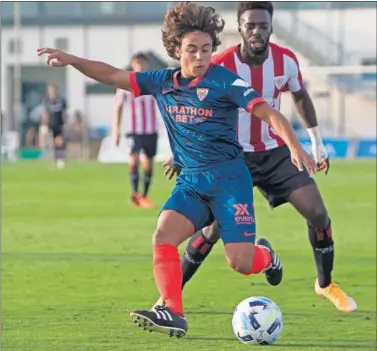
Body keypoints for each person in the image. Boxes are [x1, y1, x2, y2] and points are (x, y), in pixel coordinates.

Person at [37, 2, 316, 338]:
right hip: (192, 182)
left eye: (206, 49)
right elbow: (112, 75)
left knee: (240, 263)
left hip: (229, 181)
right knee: (163, 235)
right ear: (176, 50)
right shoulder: (161, 82)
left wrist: (294, 145)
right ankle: (173, 312)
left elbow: (268, 113)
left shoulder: (226, 81)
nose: (200, 57)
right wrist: (72, 60)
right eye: (191, 50)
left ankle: (266, 256)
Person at [162, 1, 357, 313]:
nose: (256, 31)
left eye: (262, 25)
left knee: (318, 214)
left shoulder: (286, 61)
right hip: (232, 158)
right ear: (239, 28)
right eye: (250, 25)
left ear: (270, 28)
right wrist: (182, 154)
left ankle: (325, 284)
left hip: (276, 153)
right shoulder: (221, 65)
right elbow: (194, 106)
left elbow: (300, 95)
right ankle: (168, 300)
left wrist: (316, 141)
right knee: (211, 231)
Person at [113, 53, 159, 209]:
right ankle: (134, 194)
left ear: (147, 65)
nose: (139, 65)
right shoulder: (124, 85)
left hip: (151, 130)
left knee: (148, 163)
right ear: (132, 64)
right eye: (136, 62)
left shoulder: (153, 83)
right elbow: (118, 108)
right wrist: (116, 131)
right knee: (133, 160)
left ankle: (144, 196)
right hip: (133, 130)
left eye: (142, 62)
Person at [42, 84, 68, 168]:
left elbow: (65, 112)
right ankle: (55, 159)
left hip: (59, 124)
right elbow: (46, 113)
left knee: (59, 141)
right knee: (52, 143)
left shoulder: (61, 101)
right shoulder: (47, 101)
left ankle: (61, 159)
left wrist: (65, 122)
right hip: (50, 125)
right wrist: (44, 123)